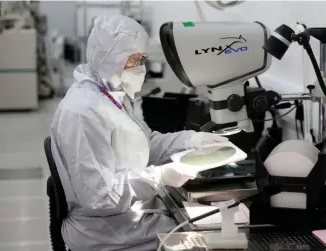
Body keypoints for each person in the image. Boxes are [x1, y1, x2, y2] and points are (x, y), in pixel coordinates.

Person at [50, 15, 228, 251]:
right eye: (136, 60)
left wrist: (191, 140)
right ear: (110, 57)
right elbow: (100, 198)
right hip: (107, 233)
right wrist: (160, 177)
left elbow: (146, 144)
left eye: (143, 60)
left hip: (128, 219)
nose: (142, 68)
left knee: (207, 228)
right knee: (210, 241)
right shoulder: (84, 112)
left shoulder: (111, 95)